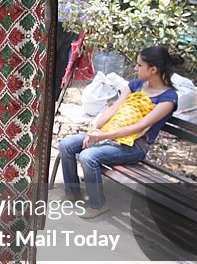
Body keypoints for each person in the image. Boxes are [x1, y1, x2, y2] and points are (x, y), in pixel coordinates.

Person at [58, 45, 182, 218]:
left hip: (134, 147)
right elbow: (113, 109)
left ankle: (98, 204)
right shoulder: (135, 85)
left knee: (89, 156)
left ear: (153, 69)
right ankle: (72, 192)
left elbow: (139, 127)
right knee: (66, 144)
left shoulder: (168, 98)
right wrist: (94, 129)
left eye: (139, 65)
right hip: (111, 135)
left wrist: (102, 136)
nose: (135, 68)